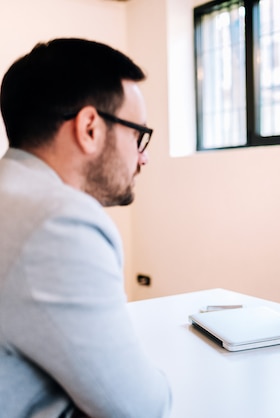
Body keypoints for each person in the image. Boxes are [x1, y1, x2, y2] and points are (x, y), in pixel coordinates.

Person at [0, 39, 171, 417]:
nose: (143, 157)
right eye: (137, 134)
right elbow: (138, 408)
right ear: (90, 127)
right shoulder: (57, 221)